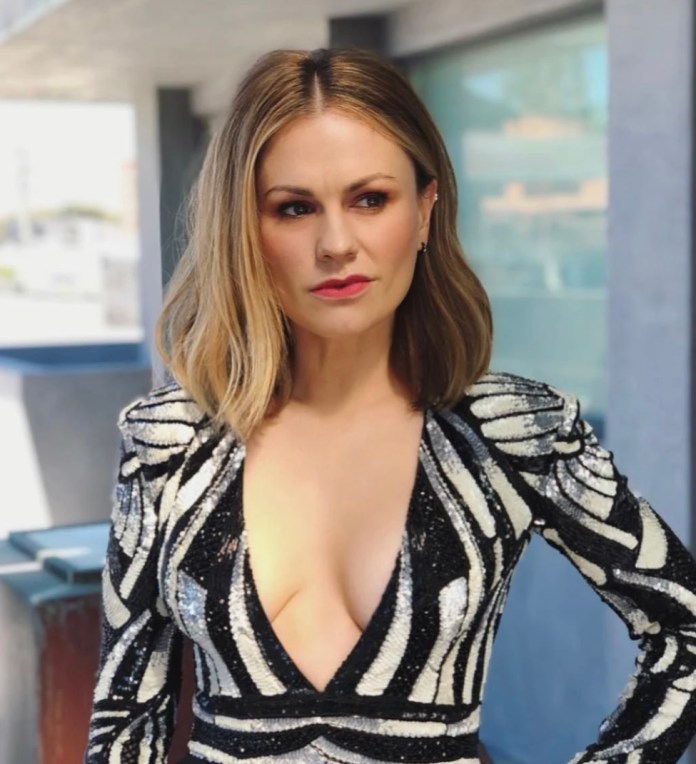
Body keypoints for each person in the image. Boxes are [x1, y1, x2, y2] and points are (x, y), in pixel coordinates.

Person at [84, 47, 696, 764]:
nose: (336, 244)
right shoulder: (170, 441)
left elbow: (684, 633)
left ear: (426, 209)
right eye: (294, 208)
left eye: (370, 199)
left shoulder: (515, 433)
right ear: (244, 229)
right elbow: (125, 717)